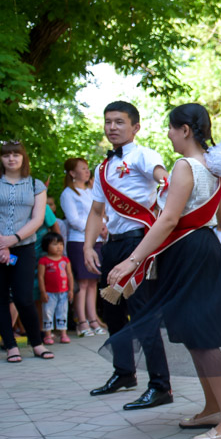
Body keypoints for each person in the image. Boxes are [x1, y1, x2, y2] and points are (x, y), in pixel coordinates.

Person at [103, 103, 221, 439]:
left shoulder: (184, 166)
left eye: (171, 128)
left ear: (185, 130)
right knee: (194, 337)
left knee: (203, 339)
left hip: (188, 253)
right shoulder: (213, 169)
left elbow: (167, 220)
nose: (167, 134)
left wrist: (132, 260)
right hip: (202, 249)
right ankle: (213, 408)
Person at [84, 102, 173, 409]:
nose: (112, 127)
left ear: (135, 127)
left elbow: (166, 181)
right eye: (108, 121)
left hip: (138, 243)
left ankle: (161, 385)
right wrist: (87, 246)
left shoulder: (144, 155)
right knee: (112, 310)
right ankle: (124, 372)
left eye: (119, 122)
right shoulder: (102, 168)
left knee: (143, 312)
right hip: (113, 245)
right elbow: (96, 211)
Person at [0, 141, 54, 362]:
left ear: (23, 158)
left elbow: (38, 219)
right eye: (6, 155)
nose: (11, 159)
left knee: (23, 297)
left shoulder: (35, 185)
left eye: (16, 155)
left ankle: (37, 344)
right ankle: (11, 346)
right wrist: (1, 242)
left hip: (24, 246)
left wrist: (14, 239)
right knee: (0, 297)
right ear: (1, 159)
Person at [61, 157, 104, 337]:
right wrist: (95, 227)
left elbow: (101, 213)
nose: (87, 172)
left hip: (97, 241)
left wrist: (103, 225)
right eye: (83, 169)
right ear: (72, 173)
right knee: (83, 283)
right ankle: (82, 321)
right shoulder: (68, 194)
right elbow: (74, 220)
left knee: (93, 282)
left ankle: (93, 318)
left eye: (88, 168)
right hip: (78, 241)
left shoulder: (90, 192)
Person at [37, 232, 73, 344]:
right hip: (49, 293)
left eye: (61, 244)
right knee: (47, 312)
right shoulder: (44, 261)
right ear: (46, 246)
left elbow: (69, 275)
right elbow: (41, 277)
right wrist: (43, 292)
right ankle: (48, 335)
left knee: (62, 312)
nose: (59, 247)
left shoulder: (65, 260)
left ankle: (63, 333)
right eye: (54, 244)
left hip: (63, 292)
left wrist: (70, 290)